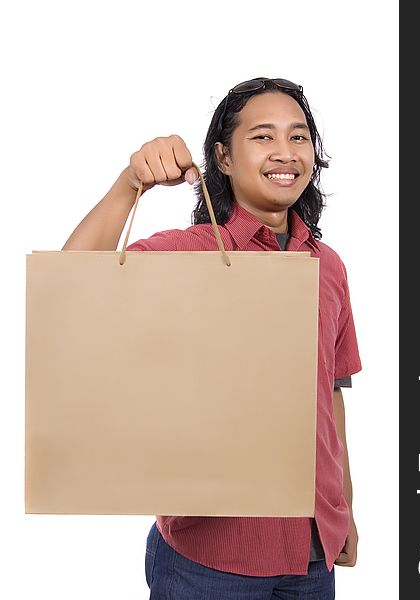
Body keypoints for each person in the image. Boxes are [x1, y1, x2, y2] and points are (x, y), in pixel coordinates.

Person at [63, 77, 362, 600]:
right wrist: (128, 183)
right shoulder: (190, 255)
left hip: (313, 554)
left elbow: (331, 395)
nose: (285, 152)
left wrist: (345, 512)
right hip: (212, 558)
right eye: (263, 137)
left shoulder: (328, 265)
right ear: (222, 158)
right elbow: (68, 286)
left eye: (298, 137)